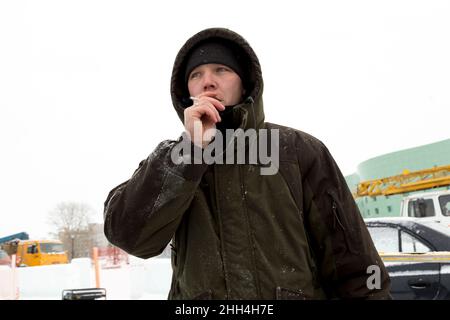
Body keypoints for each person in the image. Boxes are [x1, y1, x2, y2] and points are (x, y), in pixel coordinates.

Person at [103, 27, 391, 300]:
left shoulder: (299, 151)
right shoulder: (174, 161)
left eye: (221, 70)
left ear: (244, 82)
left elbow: (358, 266)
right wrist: (189, 151)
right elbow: (129, 236)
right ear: (186, 91)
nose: (208, 81)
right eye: (196, 74)